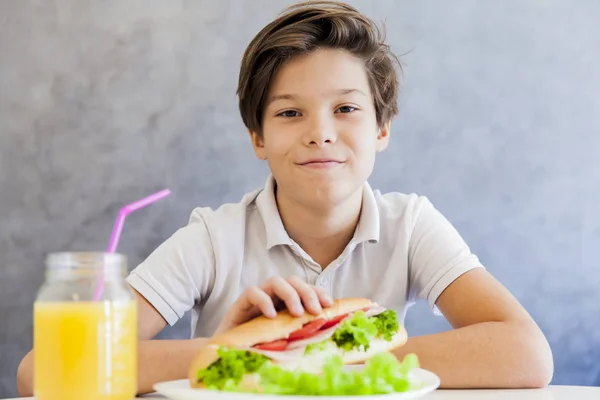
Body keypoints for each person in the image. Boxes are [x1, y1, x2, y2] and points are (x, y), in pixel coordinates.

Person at [17, 0, 553, 396]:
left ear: (382, 128)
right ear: (258, 138)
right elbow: (43, 371)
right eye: (290, 112)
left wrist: (313, 355)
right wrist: (229, 355)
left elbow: (526, 353)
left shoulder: (410, 225)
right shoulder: (212, 239)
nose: (320, 133)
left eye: (345, 109)